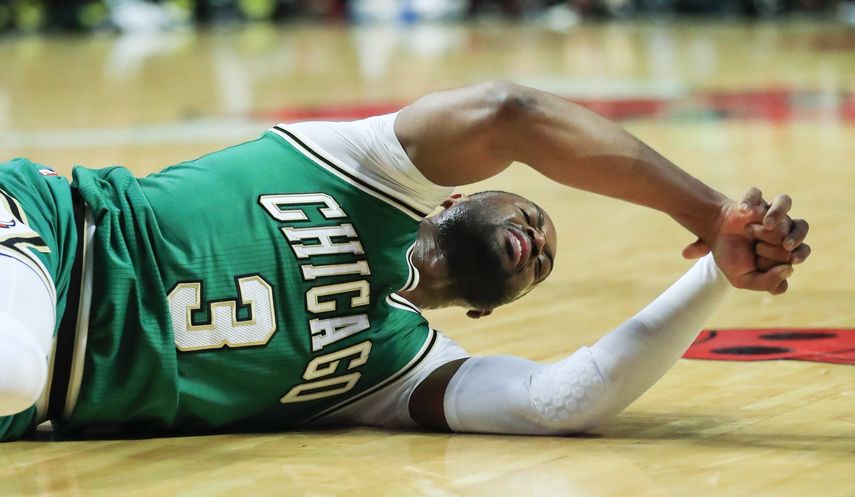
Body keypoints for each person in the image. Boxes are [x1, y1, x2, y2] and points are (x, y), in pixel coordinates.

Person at [0, 81, 809, 441]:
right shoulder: (360, 168)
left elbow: (563, 401)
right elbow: (510, 112)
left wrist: (713, 270)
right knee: (11, 363)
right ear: (454, 199)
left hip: (35, 406)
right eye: (529, 213)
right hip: (49, 237)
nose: (537, 243)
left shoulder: (395, 372)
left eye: (544, 265)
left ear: (488, 312)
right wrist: (707, 214)